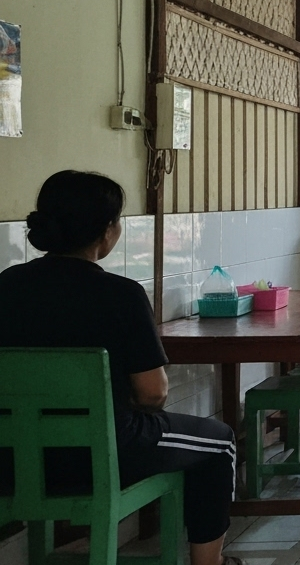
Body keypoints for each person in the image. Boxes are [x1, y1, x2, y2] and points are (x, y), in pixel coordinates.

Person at [0, 171, 244, 565]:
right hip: (104, 457)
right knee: (218, 443)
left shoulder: (5, 287)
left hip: (11, 460)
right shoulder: (120, 295)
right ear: (107, 231)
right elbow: (153, 393)